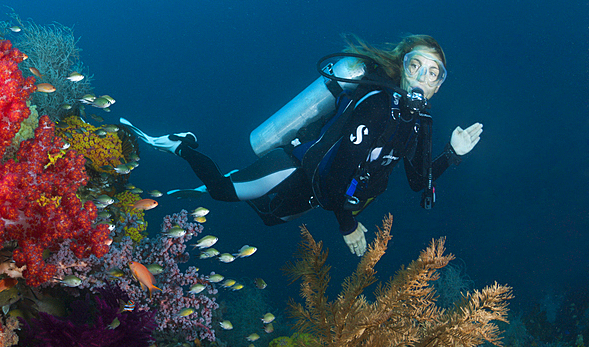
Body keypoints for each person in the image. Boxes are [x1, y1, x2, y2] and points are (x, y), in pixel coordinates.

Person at [121, 34, 482, 256]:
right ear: (402, 67)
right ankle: (182, 146)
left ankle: (233, 176)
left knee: (269, 219)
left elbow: (419, 182)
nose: (422, 76)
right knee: (220, 192)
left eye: (434, 72)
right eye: (416, 64)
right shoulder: (374, 104)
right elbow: (340, 167)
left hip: (320, 191)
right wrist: (346, 223)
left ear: (439, 84)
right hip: (296, 167)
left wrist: (451, 155)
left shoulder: (419, 124)